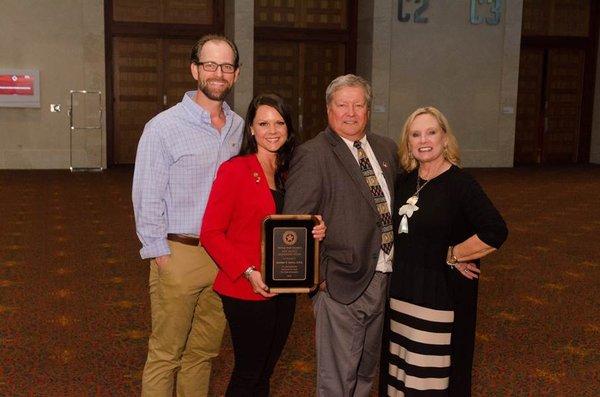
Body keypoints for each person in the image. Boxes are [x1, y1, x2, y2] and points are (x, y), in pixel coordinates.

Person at [132, 34, 243, 397]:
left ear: (236, 75)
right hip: (178, 254)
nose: (218, 73)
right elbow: (146, 196)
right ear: (195, 69)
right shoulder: (163, 127)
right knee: (166, 354)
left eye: (226, 66)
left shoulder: (239, 128)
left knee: (204, 354)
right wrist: (160, 254)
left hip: (223, 258)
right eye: (210, 65)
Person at [200, 93, 326, 397]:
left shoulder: (288, 172)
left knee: (266, 370)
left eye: (279, 122)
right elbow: (210, 233)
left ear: (288, 127)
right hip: (247, 288)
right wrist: (248, 272)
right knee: (248, 372)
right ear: (252, 130)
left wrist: (315, 228)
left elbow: (289, 228)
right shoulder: (235, 170)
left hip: (285, 288)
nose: (272, 130)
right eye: (264, 123)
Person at [283, 74, 399, 397]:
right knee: (336, 380)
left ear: (368, 109)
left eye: (358, 104)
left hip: (382, 277)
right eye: (342, 104)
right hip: (339, 284)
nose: (351, 112)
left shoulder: (386, 149)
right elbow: (297, 222)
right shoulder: (313, 154)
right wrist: (319, 278)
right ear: (328, 109)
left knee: (365, 374)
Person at [384, 106, 508, 396]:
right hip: (401, 295)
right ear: (408, 141)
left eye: (431, 132)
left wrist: (455, 254)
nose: (423, 140)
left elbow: (495, 230)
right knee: (399, 376)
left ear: (444, 139)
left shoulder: (460, 183)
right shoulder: (403, 182)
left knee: (427, 382)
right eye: (415, 134)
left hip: (437, 301)